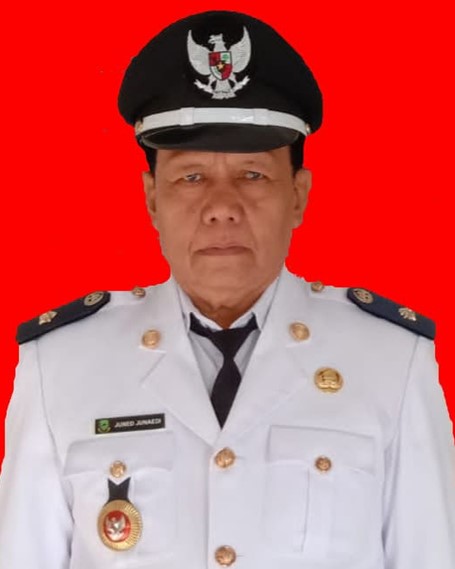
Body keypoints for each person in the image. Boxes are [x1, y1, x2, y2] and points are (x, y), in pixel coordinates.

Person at [0, 9, 454, 569]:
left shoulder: (390, 361)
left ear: (298, 196)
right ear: (152, 199)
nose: (221, 207)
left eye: (253, 175)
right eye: (191, 177)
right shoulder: (61, 366)